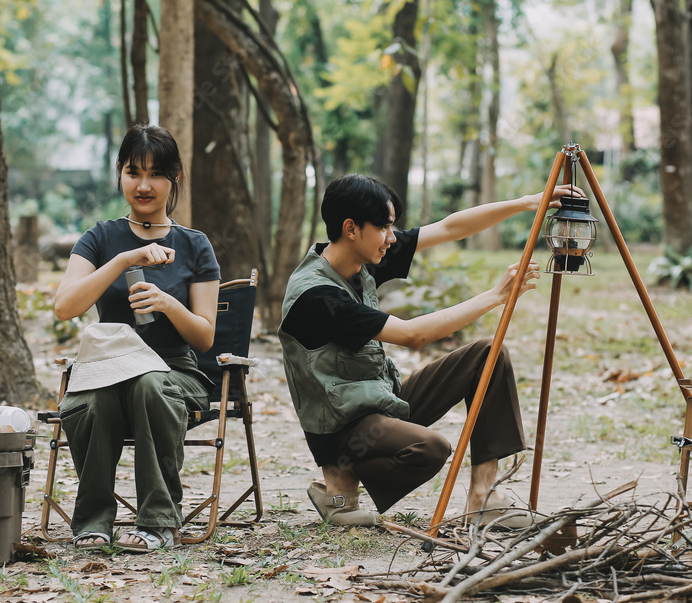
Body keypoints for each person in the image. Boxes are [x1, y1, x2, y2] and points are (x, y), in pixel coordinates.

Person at [278, 173, 584, 527]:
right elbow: (413, 335)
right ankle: (338, 486)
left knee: (489, 353)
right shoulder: (316, 295)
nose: (391, 238)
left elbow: (450, 229)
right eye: (384, 228)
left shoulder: (360, 260)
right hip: (341, 428)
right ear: (351, 228)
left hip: (379, 400)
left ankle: (483, 500)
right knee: (430, 448)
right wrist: (497, 296)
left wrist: (530, 202)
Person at [54, 124, 220, 551]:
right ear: (120, 173)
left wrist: (167, 304)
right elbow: (65, 307)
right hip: (106, 369)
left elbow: (204, 338)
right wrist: (124, 258)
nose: (144, 185)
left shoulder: (195, 245)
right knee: (89, 400)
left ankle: (159, 522)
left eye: (156, 174)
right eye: (133, 172)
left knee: (148, 384)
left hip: (171, 373)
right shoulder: (100, 238)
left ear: (175, 177)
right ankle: (92, 522)